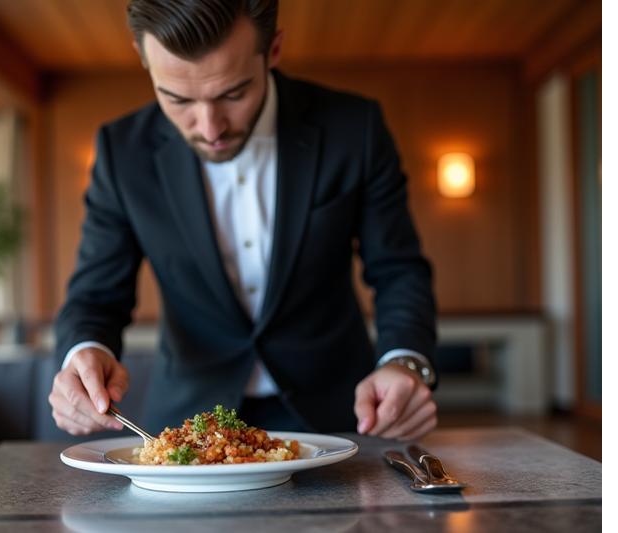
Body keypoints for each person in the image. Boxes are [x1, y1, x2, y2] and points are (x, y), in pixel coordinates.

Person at [50, 0, 438, 441]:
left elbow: (398, 270)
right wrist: (83, 354)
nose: (209, 127)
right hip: (188, 422)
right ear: (144, 60)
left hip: (341, 416)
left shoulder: (355, 129)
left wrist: (404, 362)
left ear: (272, 51)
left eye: (233, 94)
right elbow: (96, 295)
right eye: (177, 99)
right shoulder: (122, 152)